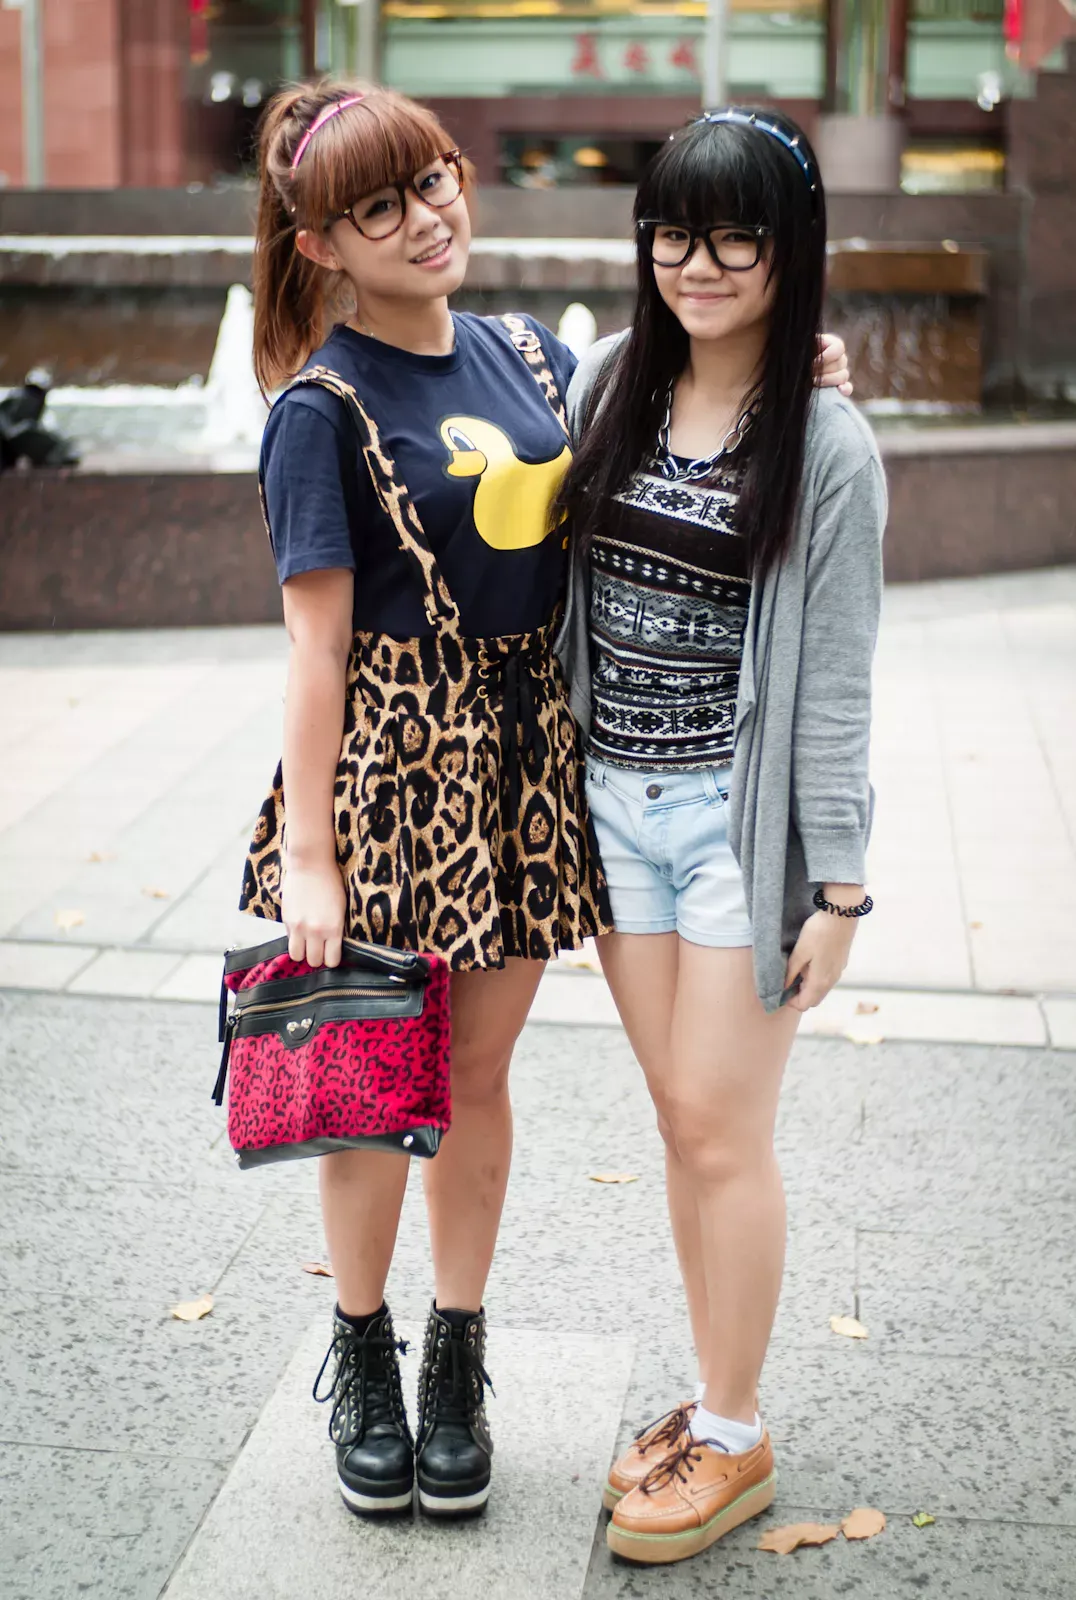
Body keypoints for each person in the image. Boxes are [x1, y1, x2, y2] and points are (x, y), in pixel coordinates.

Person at [241, 80, 853, 1526]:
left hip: (522, 777)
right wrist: (314, 856)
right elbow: (314, 647)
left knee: (473, 1079)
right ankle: (366, 1350)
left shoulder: (529, 356)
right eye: (380, 206)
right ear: (323, 241)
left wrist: (792, 360)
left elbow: (665, 412)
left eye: (436, 179)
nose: (425, 216)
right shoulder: (317, 407)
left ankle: (458, 1352)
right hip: (396, 777)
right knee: (377, 1089)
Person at [556, 108, 886, 1565]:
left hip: (730, 834)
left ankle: (738, 1439)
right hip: (614, 815)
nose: (699, 262)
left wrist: (843, 887)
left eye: (735, 234)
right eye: (673, 232)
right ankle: (710, 1402)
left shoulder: (830, 447)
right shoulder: (614, 379)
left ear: (790, 249)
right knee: (682, 1126)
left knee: (721, 1127)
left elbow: (837, 682)